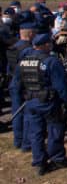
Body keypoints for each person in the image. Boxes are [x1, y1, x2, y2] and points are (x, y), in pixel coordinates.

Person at [14, 33, 67, 175]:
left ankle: (39, 162)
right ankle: (57, 158)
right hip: (48, 102)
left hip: (30, 101)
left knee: (36, 133)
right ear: (44, 45)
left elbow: (18, 82)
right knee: (54, 130)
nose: (51, 45)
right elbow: (62, 85)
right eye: (49, 43)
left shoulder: (23, 61)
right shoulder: (51, 61)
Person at [7, 21, 36, 150]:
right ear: (30, 34)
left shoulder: (13, 48)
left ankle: (18, 139)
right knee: (26, 113)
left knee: (16, 110)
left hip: (14, 80)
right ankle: (26, 141)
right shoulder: (28, 49)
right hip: (24, 82)